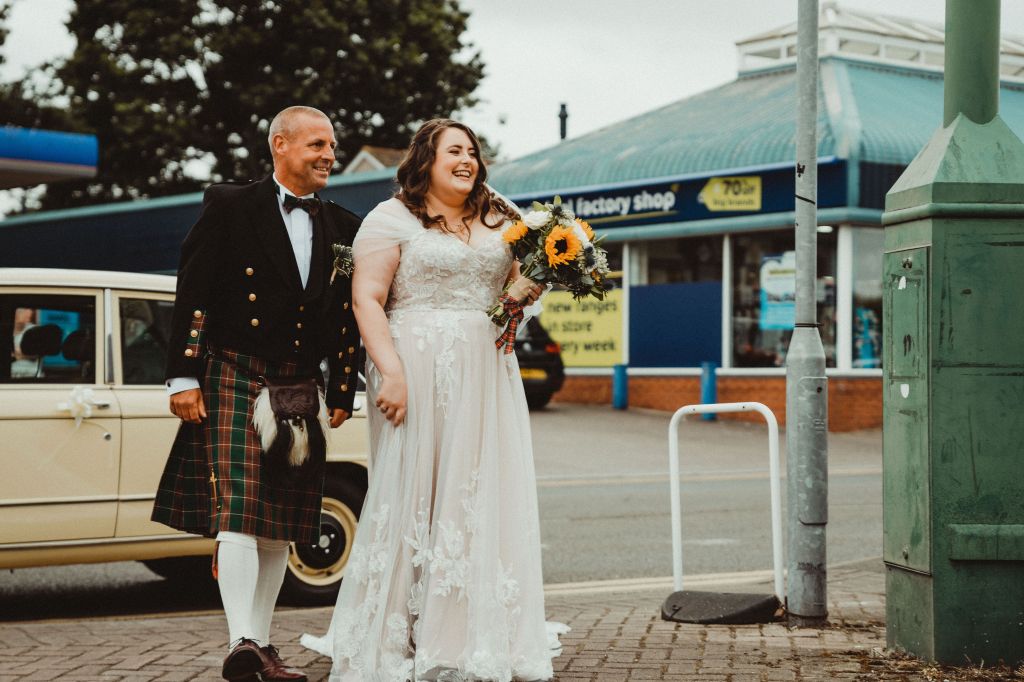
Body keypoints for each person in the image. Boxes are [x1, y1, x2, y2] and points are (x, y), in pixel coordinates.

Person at [301, 118, 566, 681]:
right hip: (414, 366)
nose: (467, 160)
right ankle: (398, 630)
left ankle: (470, 631)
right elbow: (366, 298)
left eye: (472, 151)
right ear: (425, 160)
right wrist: (389, 372)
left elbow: (522, 281)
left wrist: (528, 286)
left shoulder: (501, 217)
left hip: (487, 369)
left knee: (478, 491)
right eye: (454, 151)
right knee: (414, 491)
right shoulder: (390, 218)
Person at [151, 105, 362, 682]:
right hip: (233, 372)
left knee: (282, 519)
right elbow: (193, 288)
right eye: (317, 144)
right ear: (280, 145)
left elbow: (347, 315)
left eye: (332, 145)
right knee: (240, 512)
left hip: (300, 383)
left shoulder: (343, 224)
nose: (329, 155)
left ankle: (261, 647)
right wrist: (183, 375)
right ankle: (242, 640)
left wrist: (344, 383)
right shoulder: (231, 206)